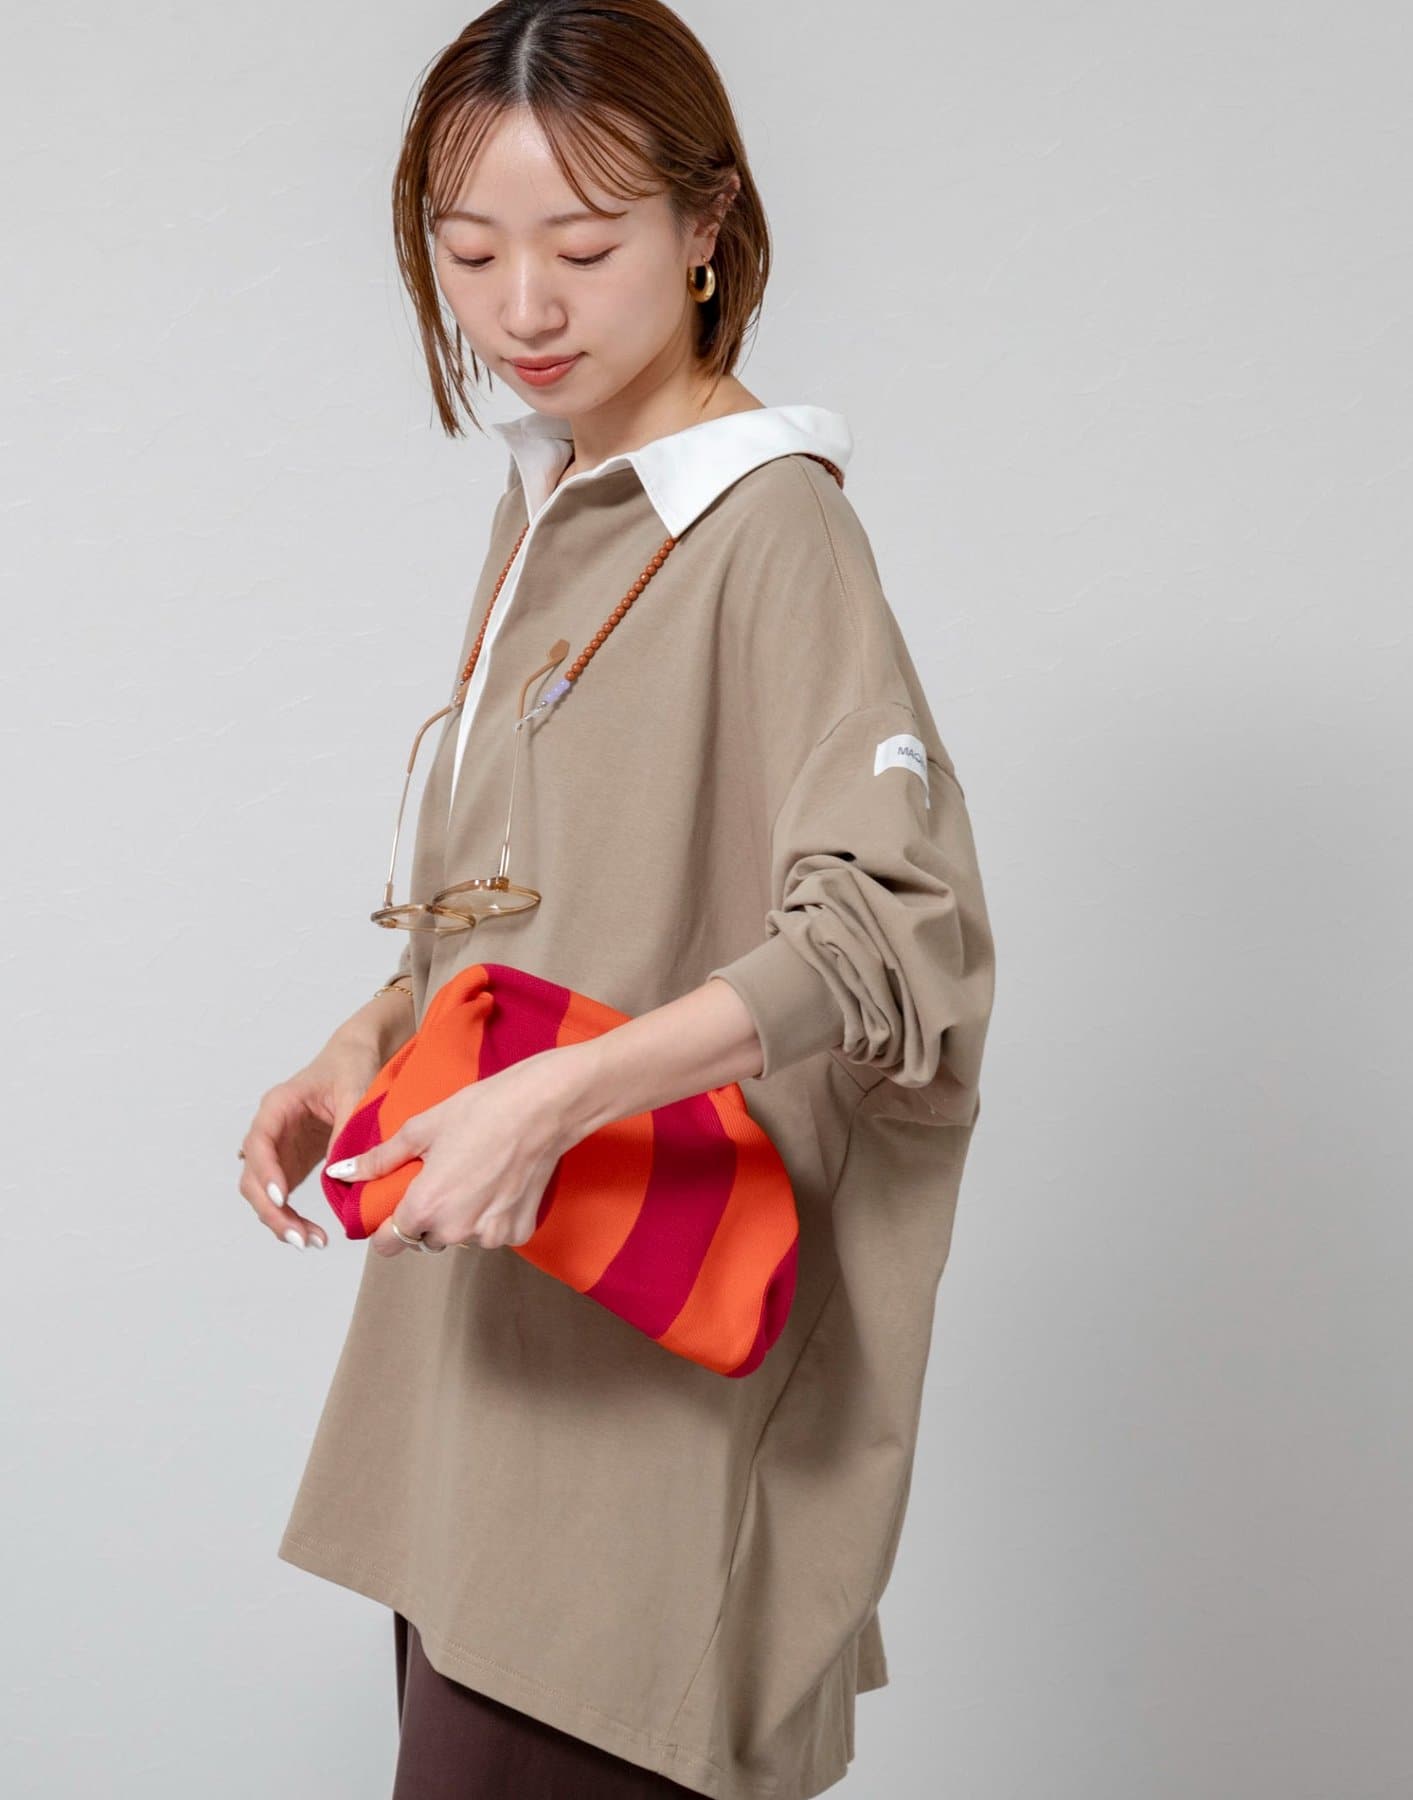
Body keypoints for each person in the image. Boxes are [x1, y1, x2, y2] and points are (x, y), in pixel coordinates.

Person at [238, 3, 996, 1795]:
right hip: (490, 1341)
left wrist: (556, 1101)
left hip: (646, 1370)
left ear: (706, 223)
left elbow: (895, 931)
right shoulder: (562, 501)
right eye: (469, 251)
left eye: (583, 249)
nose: (524, 309)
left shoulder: (772, 527)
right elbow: (518, 885)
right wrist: (368, 1040)